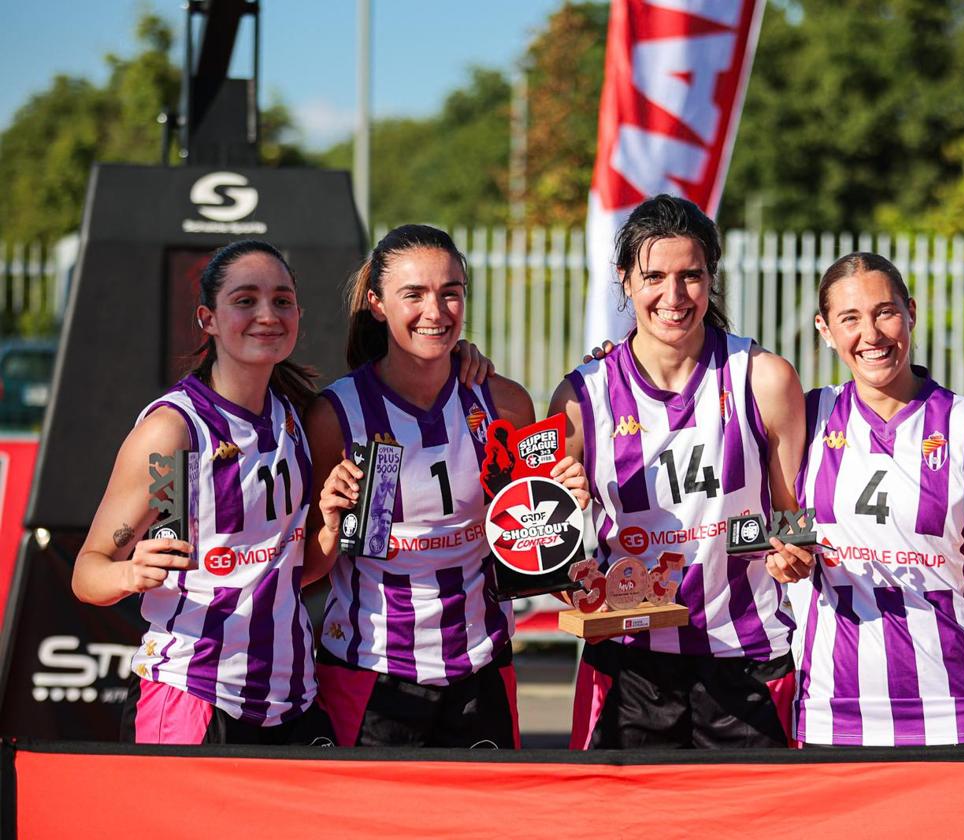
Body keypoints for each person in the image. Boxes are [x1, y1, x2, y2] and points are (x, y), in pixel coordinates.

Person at [304, 224, 588, 748]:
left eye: (449, 292)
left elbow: (530, 552)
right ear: (377, 304)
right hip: (370, 675)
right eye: (413, 294)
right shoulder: (335, 414)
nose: (435, 312)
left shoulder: (503, 403)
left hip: (483, 669)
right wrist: (328, 520)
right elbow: (309, 570)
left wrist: (563, 506)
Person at [552, 194, 807, 749]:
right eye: (654, 277)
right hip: (629, 663)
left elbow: (792, 515)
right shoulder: (582, 397)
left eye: (691, 275)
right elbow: (546, 551)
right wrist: (569, 553)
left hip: (747, 660)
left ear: (712, 278)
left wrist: (794, 553)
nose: (673, 296)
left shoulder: (763, 378)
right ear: (624, 280)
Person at [767, 251, 964, 746]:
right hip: (834, 717)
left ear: (910, 313)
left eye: (884, 312)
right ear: (824, 330)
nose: (870, 335)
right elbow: (792, 537)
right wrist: (787, 560)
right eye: (849, 318)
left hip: (957, 714)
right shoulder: (805, 417)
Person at [72, 240, 333, 745]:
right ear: (207, 318)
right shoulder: (175, 432)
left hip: (292, 701)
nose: (267, 315)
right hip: (195, 697)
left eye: (282, 301)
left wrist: (334, 521)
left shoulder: (295, 415)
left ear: (299, 314)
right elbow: (88, 572)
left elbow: (293, 574)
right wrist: (130, 572)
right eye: (245, 300)